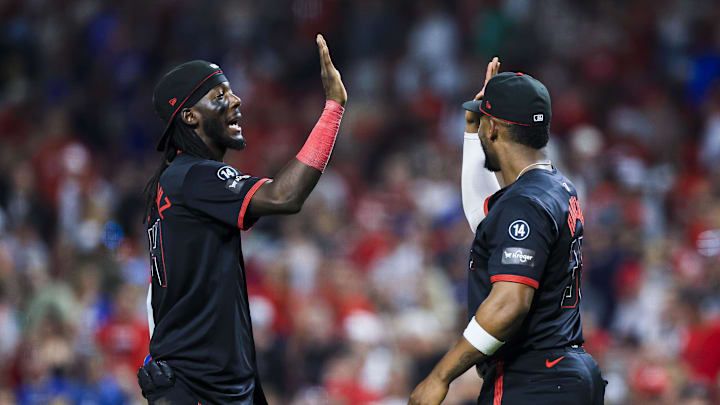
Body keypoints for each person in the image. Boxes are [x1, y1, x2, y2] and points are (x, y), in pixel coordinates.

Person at [136, 34, 346, 405]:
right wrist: (333, 108)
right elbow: (284, 196)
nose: (235, 100)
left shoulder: (174, 183)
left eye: (231, 92)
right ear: (189, 116)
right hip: (204, 386)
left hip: (208, 382)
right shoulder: (193, 176)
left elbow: (158, 291)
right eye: (219, 96)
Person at [409, 59, 606, 404]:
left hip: (534, 379)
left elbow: (509, 304)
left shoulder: (525, 202)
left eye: (483, 122)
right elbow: (482, 216)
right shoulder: (557, 187)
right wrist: (474, 131)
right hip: (565, 372)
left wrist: (441, 376)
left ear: (495, 129)